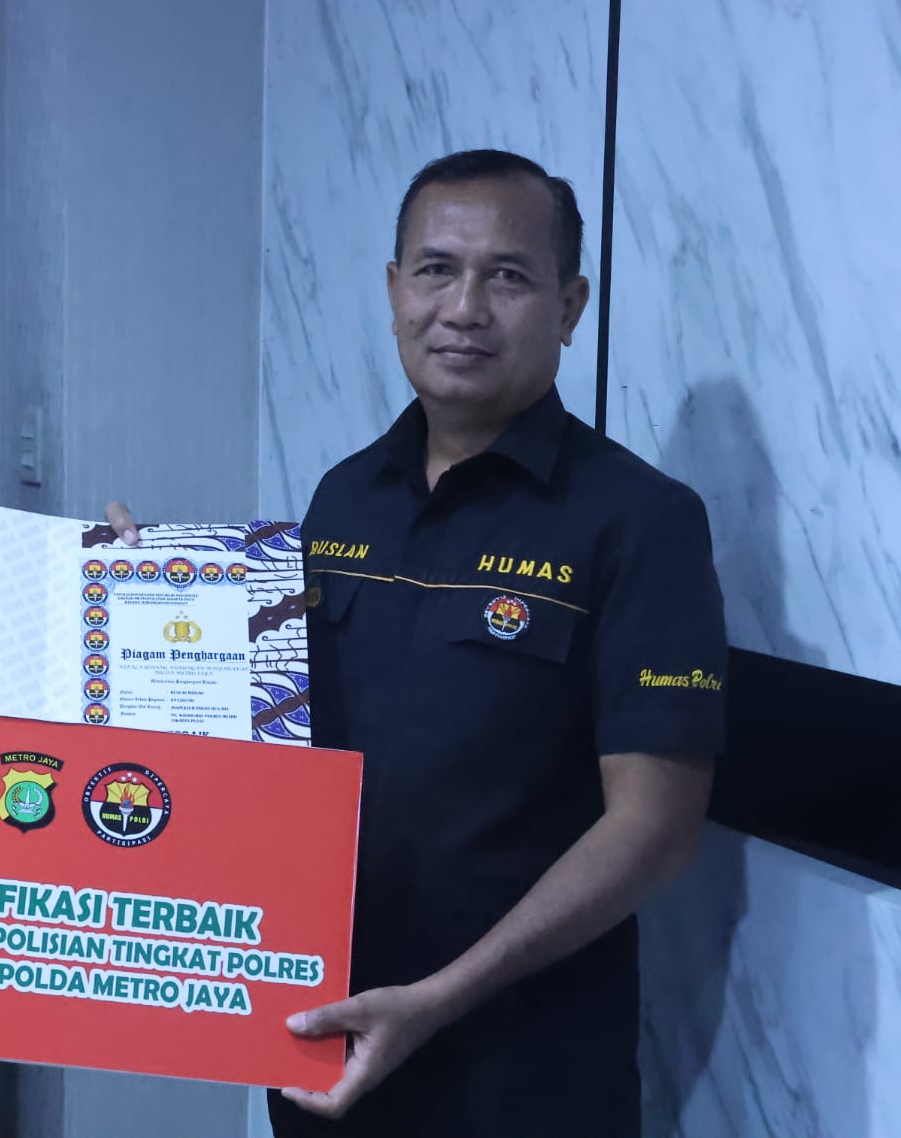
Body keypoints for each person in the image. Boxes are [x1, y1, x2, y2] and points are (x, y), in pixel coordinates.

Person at [269, 150, 727, 1136]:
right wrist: (137, 588)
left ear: (569, 306)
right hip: (322, 1047)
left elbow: (656, 827)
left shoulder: (641, 520)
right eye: (435, 269)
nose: (464, 308)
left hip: (520, 1075)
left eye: (508, 276)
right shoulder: (342, 497)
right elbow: (270, 738)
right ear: (394, 291)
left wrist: (441, 996)